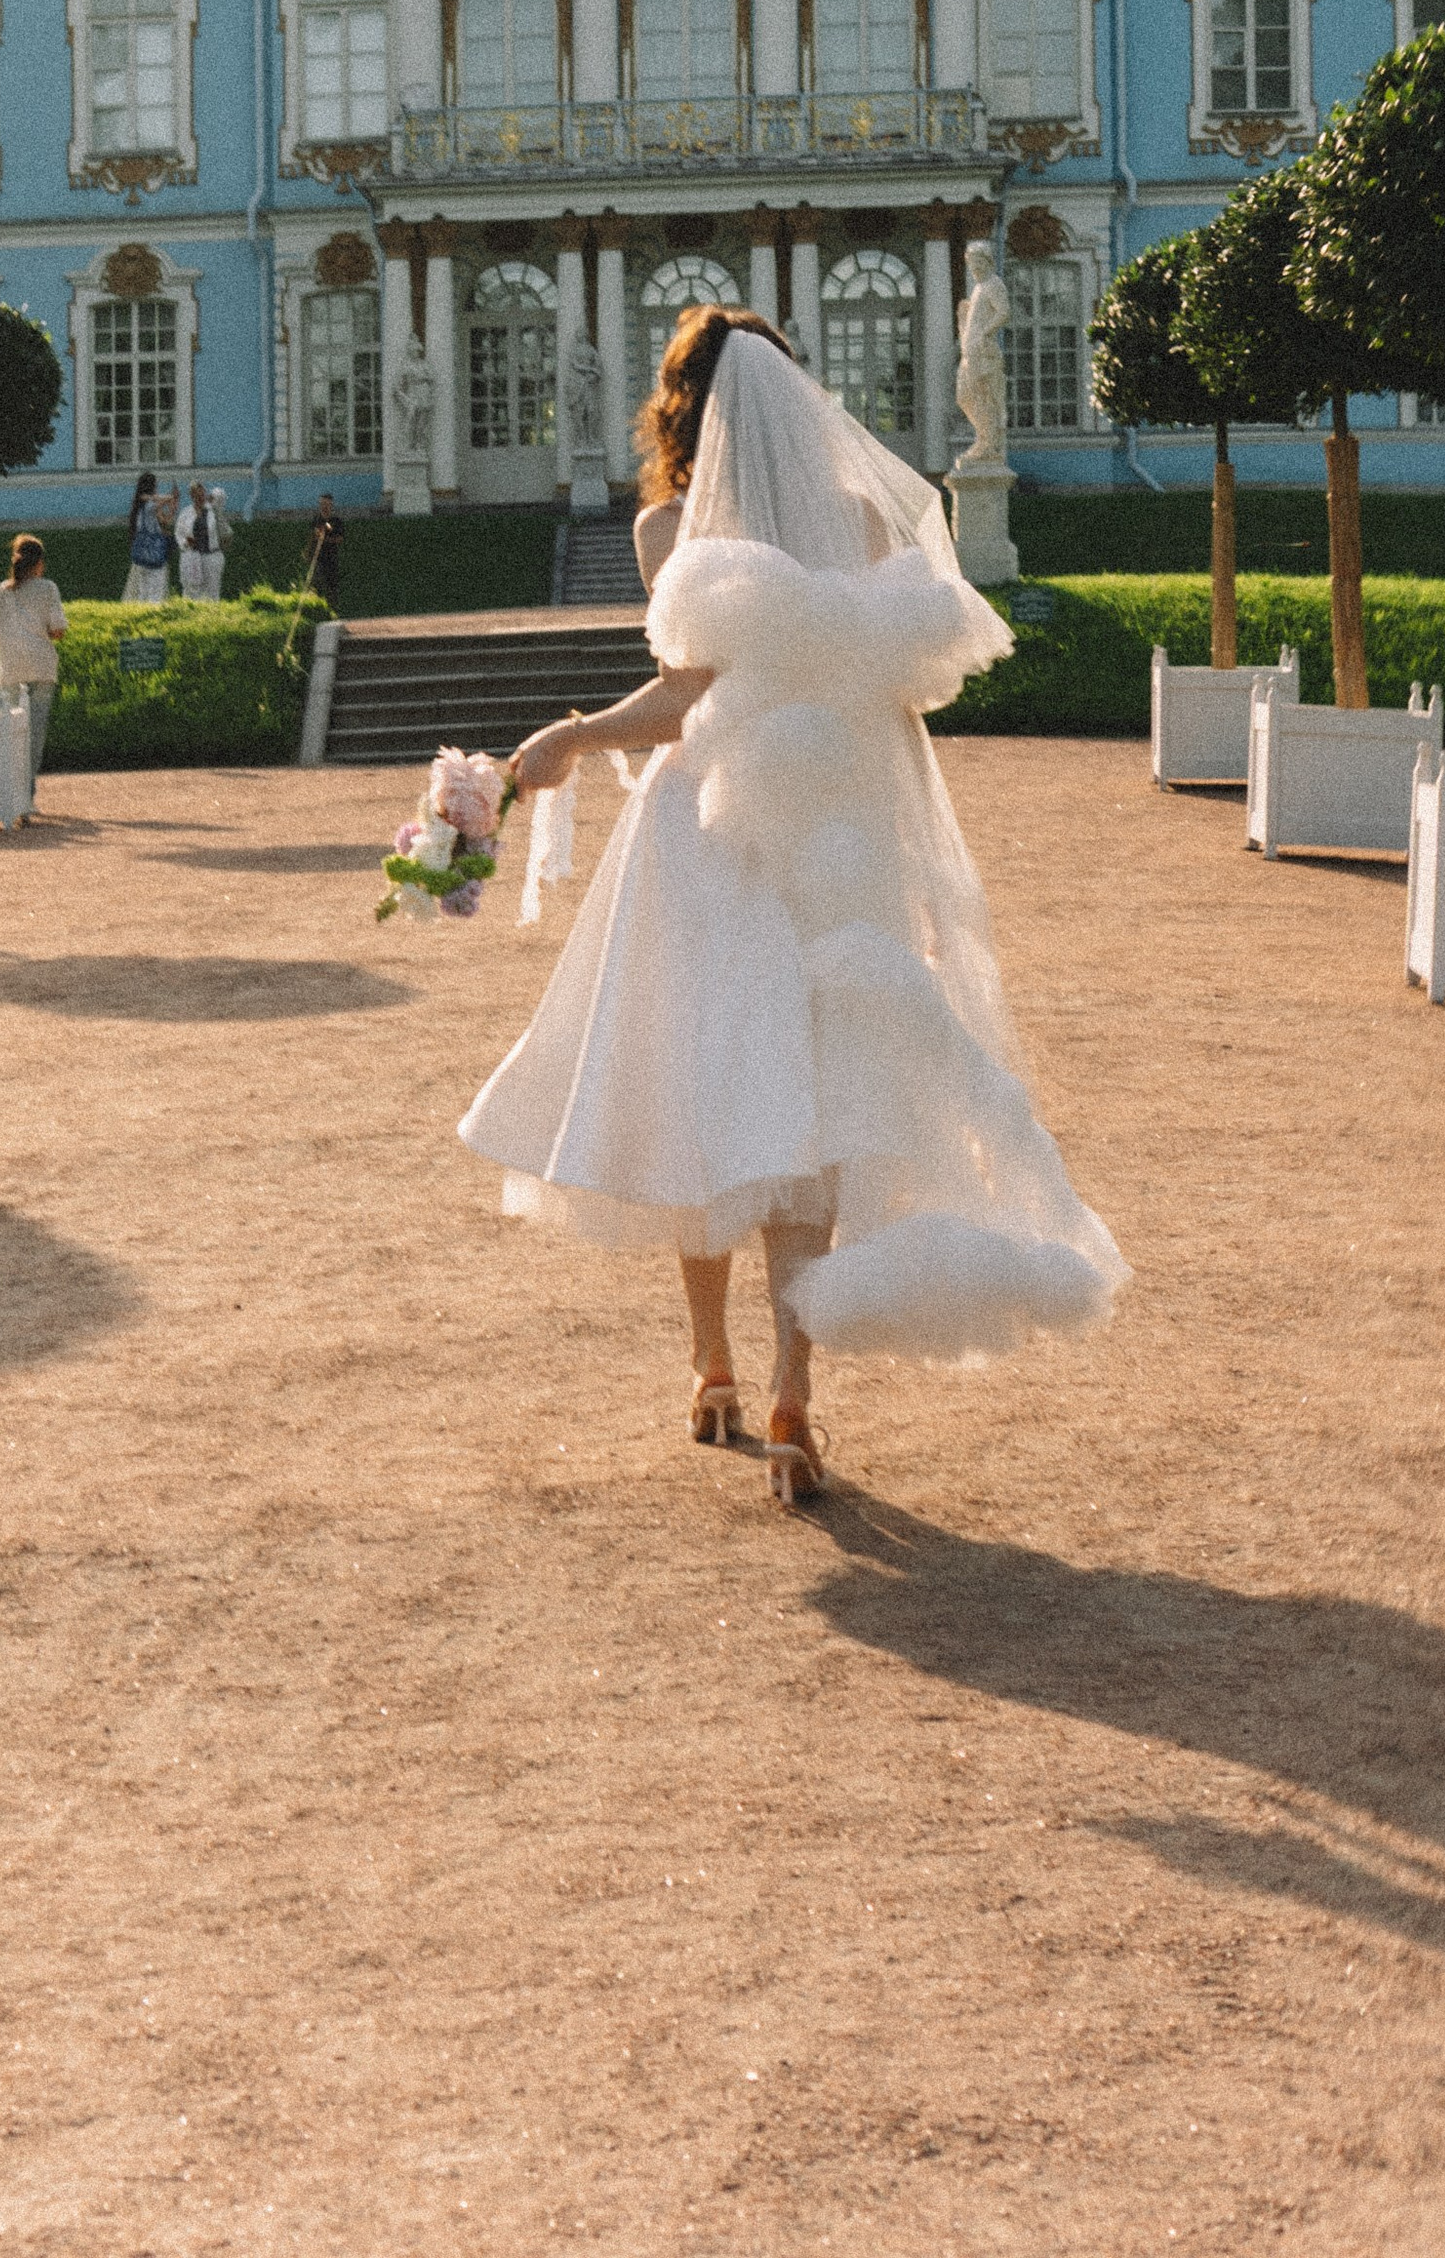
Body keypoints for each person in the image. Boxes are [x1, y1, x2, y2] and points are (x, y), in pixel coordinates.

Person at [462, 310, 1124, 1506]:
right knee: (810, 1114)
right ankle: (791, 1400)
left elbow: (684, 699)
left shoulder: (672, 528)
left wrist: (571, 733)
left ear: (682, 409)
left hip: (706, 836)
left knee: (701, 1100)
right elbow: (892, 693)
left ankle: (710, 1368)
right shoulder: (865, 519)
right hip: (830, 835)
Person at [0, 534, 67, 788]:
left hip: (10, 668)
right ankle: (27, 789)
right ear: (40, 562)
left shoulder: (3, 590)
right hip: (41, 666)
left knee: (7, 731)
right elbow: (57, 630)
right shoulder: (48, 588)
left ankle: (6, 789)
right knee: (34, 732)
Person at [123, 471, 172, 605]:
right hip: (153, 553)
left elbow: (165, 520)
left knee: (143, 590)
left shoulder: (138, 507)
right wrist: (171, 496)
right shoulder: (149, 505)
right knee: (155, 589)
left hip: (142, 554)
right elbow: (164, 500)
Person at [177, 480, 225, 606]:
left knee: (212, 589)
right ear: (191, 496)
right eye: (196, 495)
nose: (200, 498)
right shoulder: (186, 513)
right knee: (192, 589)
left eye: (202, 494)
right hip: (193, 556)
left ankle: (212, 615)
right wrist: (185, 542)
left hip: (212, 555)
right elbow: (179, 533)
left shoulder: (212, 510)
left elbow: (221, 495)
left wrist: (212, 497)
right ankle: (192, 614)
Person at [303, 493, 343, 608]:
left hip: (331, 557)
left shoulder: (336, 521)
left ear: (331, 505)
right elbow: (312, 536)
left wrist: (325, 538)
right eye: (322, 504)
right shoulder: (316, 520)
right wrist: (307, 551)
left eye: (327, 504)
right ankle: (317, 607)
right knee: (316, 582)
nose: (324, 507)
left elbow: (339, 539)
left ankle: (333, 608)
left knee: (332, 584)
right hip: (318, 557)